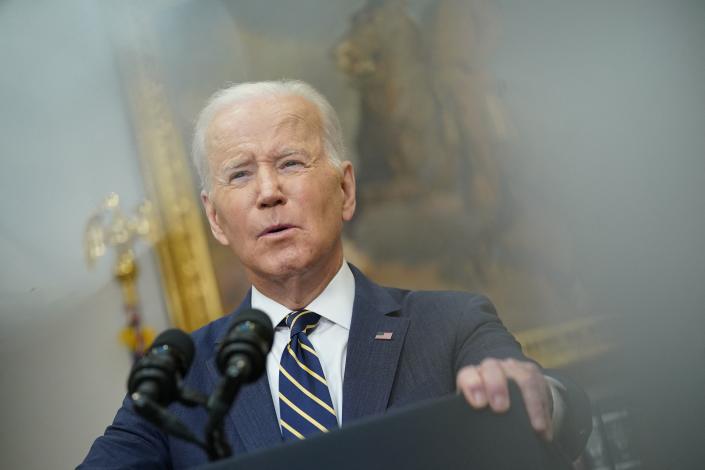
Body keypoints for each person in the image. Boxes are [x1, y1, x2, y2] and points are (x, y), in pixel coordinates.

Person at [80, 80, 591, 469]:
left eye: (291, 163)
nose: (268, 192)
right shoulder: (179, 381)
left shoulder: (451, 325)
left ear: (345, 190)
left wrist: (541, 395)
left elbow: (556, 408)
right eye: (240, 173)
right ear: (215, 218)